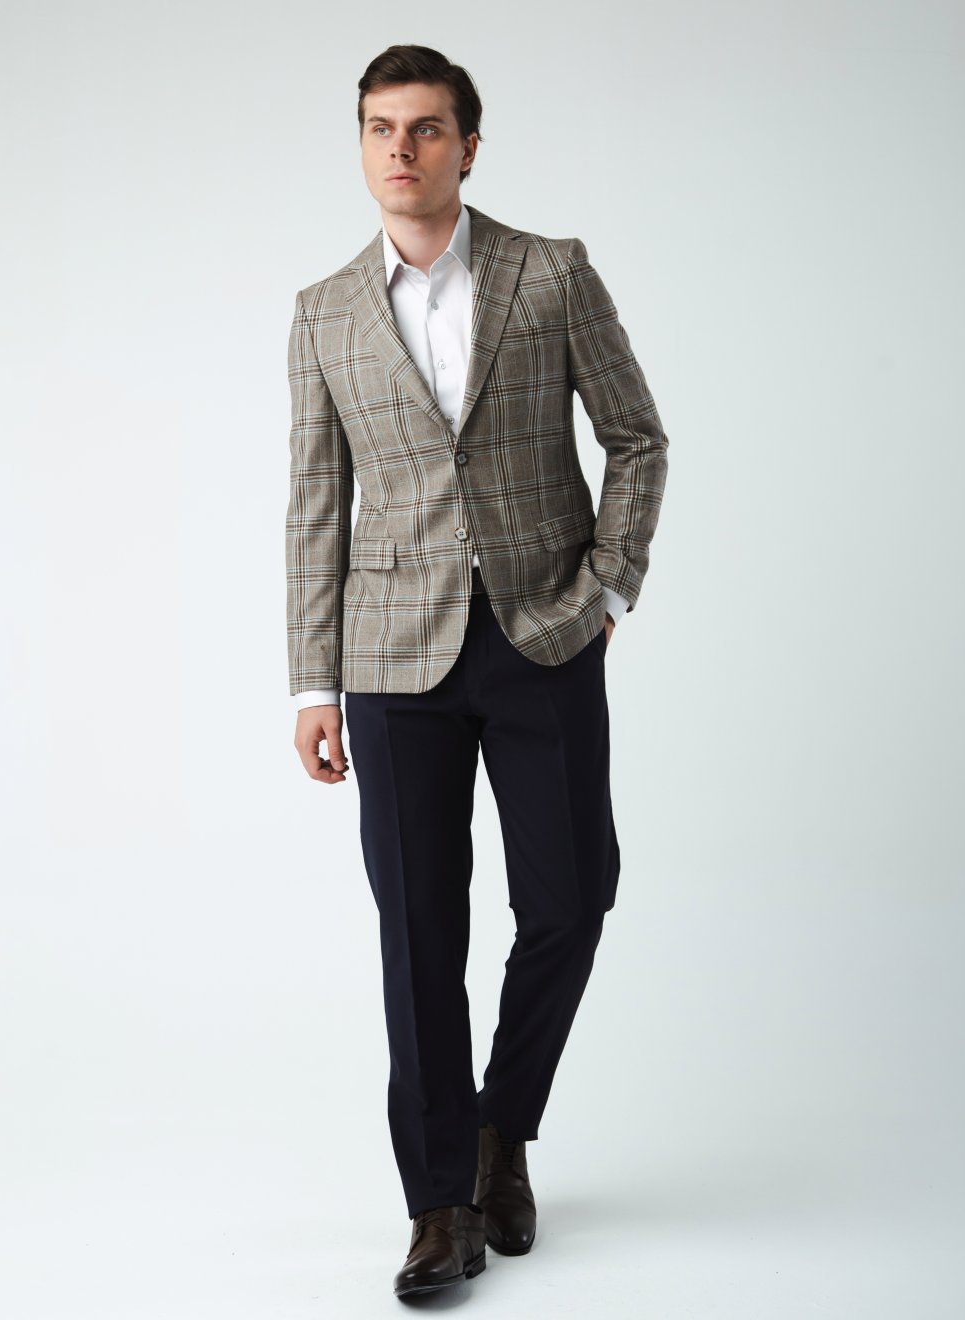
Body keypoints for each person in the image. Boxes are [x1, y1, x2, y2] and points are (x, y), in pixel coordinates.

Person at [286, 43, 669, 1299]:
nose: (400, 149)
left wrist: (608, 586)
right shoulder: (324, 311)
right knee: (419, 935)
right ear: (362, 144)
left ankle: (505, 1126)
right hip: (392, 660)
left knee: (571, 900)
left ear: (467, 145)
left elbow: (635, 438)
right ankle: (440, 1202)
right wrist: (311, 684)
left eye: (426, 128)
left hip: (542, 634)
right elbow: (314, 504)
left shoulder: (548, 274)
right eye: (380, 128)